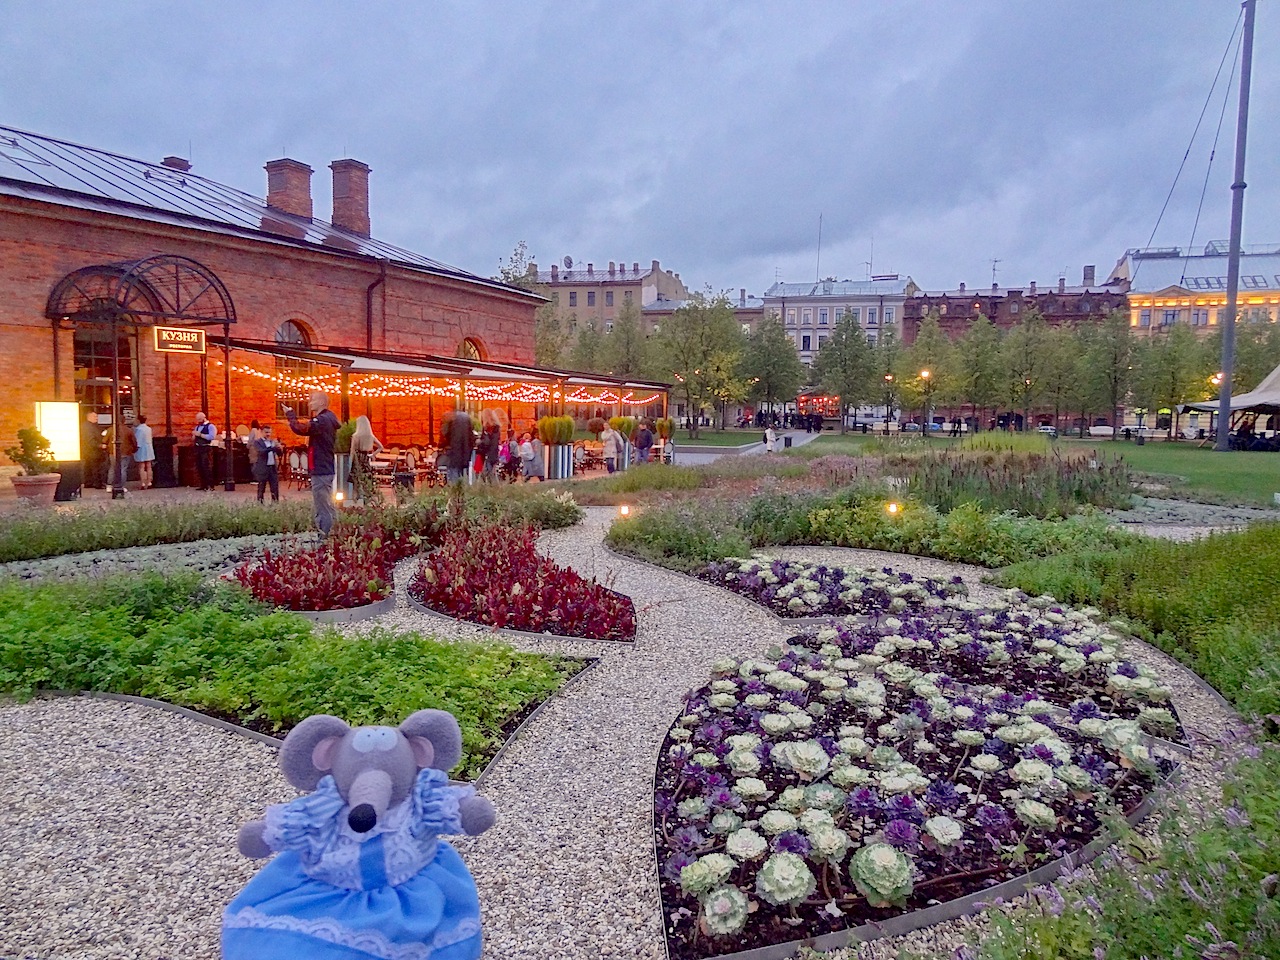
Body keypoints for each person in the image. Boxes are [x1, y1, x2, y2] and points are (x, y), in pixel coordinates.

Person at [285, 392, 341, 535]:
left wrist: (290, 415)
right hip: (324, 467)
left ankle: (325, 536)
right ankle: (335, 532)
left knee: (322, 506)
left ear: (322, 402)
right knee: (327, 504)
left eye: (312, 400)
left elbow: (300, 428)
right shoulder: (329, 419)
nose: (309, 403)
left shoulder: (322, 421)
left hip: (321, 468)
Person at [350, 415, 384, 504]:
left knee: (356, 484)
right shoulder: (370, 436)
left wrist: (350, 463)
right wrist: (372, 454)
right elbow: (381, 447)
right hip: (366, 460)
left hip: (357, 460)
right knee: (367, 484)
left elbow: (352, 452)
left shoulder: (355, 436)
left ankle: (356, 504)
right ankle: (370, 503)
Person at [439, 409, 474, 485]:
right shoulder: (466, 425)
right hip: (464, 456)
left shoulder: (449, 426)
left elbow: (443, 441)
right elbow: (471, 441)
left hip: (452, 456)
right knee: (461, 477)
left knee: (453, 476)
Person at [251, 424, 283, 503]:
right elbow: (261, 452)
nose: (268, 434)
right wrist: (272, 448)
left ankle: (275, 503)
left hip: (272, 467)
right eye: (266, 432)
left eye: (269, 432)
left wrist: (279, 449)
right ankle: (260, 503)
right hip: (263, 467)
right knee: (262, 487)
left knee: (274, 487)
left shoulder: (272, 442)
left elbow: (279, 454)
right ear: (261, 432)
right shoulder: (257, 442)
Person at [81, 411, 106, 489]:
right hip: (93, 450)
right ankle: (97, 483)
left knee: (88, 467)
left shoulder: (91, 426)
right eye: (95, 417)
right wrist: (100, 445)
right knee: (96, 467)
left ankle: (88, 483)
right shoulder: (88, 427)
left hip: (88, 450)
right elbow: (89, 440)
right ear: (89, 417)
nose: (97, 418)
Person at [193, 412, 217, 490]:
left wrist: (200, 435)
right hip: (198, 447)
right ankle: (203, 485)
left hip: (206, 448)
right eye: (198, 420)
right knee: (199, 466)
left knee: (206, 466)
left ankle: (210, 485)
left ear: (204, 418)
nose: (199, 421)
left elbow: (211, 436)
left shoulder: (211, 426)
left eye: (200, 419)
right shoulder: (197, 427)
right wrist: (194, 436)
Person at [133, 415, 155, 489]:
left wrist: (135, 449)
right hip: (149, 447)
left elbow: (138, 441)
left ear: (139, 420)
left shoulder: (139, 429)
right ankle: (149, 482)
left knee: (142, 466)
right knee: (149, 466)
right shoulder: (149, 429)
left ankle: (143, 483)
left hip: (141, 448)